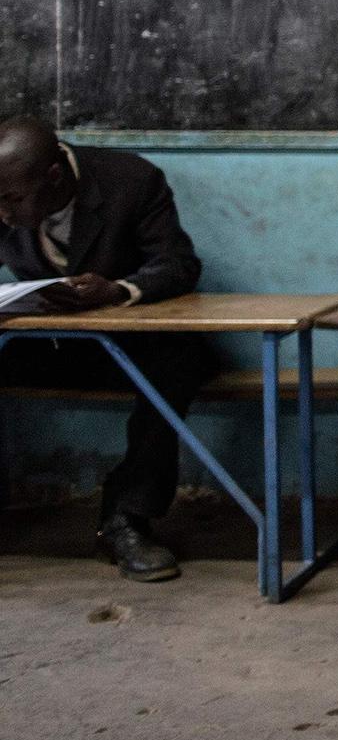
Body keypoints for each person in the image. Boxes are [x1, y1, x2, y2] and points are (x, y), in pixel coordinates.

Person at [0, 117, 212, 582]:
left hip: (129, 349)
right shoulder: (4, 192)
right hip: (46, 346)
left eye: (14, 201)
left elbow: (178, 264)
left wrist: (118, 290)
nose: (4, 216)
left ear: (54, 177)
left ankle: (127, 517)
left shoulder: (130, 181)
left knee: (180, 360)